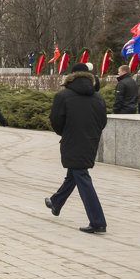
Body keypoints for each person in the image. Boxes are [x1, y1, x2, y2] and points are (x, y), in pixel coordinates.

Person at [44, 63, 109, 233]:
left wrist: (65, 133)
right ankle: (56, 202)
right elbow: (103, 121)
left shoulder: (63, 96)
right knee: (74, 172)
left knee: (81, 176)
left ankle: (97, 221)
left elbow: (56, 120)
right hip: (91, 140)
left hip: (72, 139)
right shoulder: (98, 97)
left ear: (71, 76)